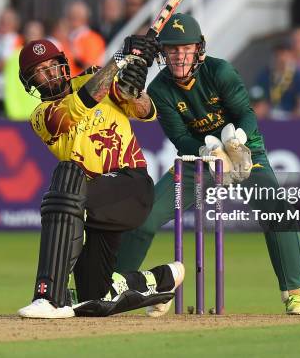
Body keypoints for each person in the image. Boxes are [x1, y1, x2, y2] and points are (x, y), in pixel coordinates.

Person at [115, 13, 300, 316]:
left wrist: (237, 139)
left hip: (246, 154)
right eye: (172, 49)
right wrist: (209, 150)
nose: (179, 55)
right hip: (198, 160)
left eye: (185, 48)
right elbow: (180, 138)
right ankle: (111, 287)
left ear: (198, 49)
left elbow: (245, 113)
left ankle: (296, 293)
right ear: (163, 53)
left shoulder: (220, 71)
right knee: (146, 215)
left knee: (277, 210)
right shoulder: (159, 90)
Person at [16, 36, 184, 318]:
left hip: (131, 187)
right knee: (92, 298)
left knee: (67, 180)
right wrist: (119, 59)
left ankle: (49, 295)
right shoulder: (41, 115)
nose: (49, 75)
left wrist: (133, 83)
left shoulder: (97, 78)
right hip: (93, 201)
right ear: (31, 83)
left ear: (63, 64)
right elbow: (73, 110)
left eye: (52, 66)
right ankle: (163, 278)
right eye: (39, 72)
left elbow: (146, 111)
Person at [255, 42, 300, 119]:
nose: (281, 58)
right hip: (268, 116)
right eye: (277, 55)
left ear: (291, 55)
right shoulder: (265, 75)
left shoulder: (298, 76)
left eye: (284, 54)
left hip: (291, 116)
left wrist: (295, 115)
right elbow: (258, 98)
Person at [65, 0, 106, 71]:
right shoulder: (64, 37)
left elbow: (92, 68)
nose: (74, 19)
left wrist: (77, 58)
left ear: (85, 18)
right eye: (72, 15)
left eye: (78, 15)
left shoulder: (93, 39)